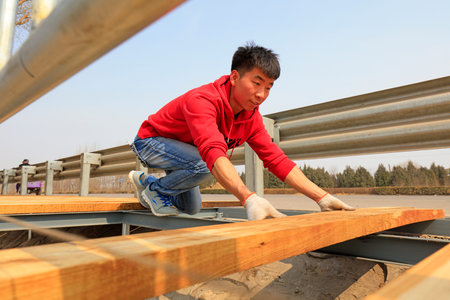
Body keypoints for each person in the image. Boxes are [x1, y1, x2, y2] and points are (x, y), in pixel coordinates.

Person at [129, 42, 354, 220]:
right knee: (203, 164)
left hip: (188, 153)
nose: (262, 94)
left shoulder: (251, 118)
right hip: (151, 142)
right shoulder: (203, 100)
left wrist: (322, 197)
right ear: (235, 77)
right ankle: (156, 190)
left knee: (191, 207)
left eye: (268, 87)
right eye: (256, 83)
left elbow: (276, 159)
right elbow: (212, 152)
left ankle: (146, 183)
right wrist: (248, 198)